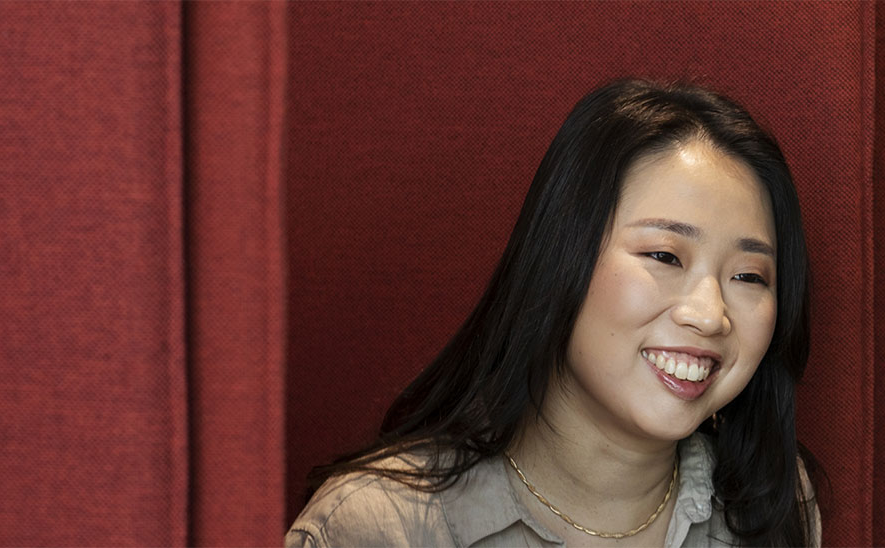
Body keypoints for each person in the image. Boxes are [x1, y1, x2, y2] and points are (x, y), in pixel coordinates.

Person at [286, 79, 822, 547]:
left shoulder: (773, 505)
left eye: (749, 277)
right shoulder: (378, 525)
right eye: (664, 256)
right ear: (561, 256)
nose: (710, 316)